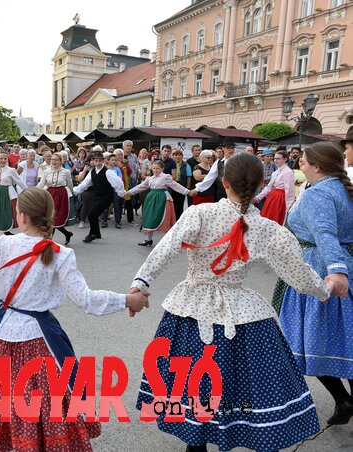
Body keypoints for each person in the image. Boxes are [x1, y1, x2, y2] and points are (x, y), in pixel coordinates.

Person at [133, 152, 332, 452]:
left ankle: (196, 441)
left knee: (193, 380)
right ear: (261, 183)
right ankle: (236, 430)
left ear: (224, 182)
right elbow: (298, 273)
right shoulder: (268, 229)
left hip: (193, 306)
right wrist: (325, 290)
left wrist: (141, 285)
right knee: (239, 381)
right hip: (242, 309)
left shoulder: (201, 214)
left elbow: (166, 248)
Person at [0, 187, 149, 452]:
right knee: (43, 406)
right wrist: (128, 300)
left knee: (1, 401)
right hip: (39, 342)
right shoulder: (61, 253)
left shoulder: (4, 244)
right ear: (50, 215)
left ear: (20, 216)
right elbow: (86, 300)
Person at [277, 141, 353, 426]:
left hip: (320, 274)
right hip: (338, 266)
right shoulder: (339, 189)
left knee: (308, 341)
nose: (301, 166)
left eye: (304, 162)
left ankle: (344, 400)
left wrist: (336, 272)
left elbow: (325, 235)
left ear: (317, 166)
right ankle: (345, 401)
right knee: (346, 341)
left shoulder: (319, 194)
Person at [127, 160, 195, 246]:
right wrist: (129, 192)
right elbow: (141, 186)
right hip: (151, 199)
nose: (155, 170)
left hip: (163, 199)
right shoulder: (150, 178)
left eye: (157, 168)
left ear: (162, 169)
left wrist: (187, 192)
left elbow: (175, 185)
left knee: (165, 219)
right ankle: (148, 239)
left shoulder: (166, 177)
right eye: (154, 168)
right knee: (149, 219)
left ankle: (170, 240)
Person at [72, 151, 127, 243]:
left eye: (99, 161)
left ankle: (92, 234)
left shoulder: (108, 172)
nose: (98, 163)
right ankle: (97, 233)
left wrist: (121, 193)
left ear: (103, 161)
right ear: (93, 161)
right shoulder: (92, 172)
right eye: (96, 161)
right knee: (93, 214)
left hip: (106, 197)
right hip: (96, 196)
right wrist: (76, 190)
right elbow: (85, 183)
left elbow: (118, 183)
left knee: (92, 215)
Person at [37, 152, 75, 245]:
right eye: (52, 159)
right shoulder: (46, 171)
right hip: (50, 195)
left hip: (62, 195)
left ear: (60, 161)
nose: (54, 161)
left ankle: (49, 241)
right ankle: (66, 234)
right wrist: (32, 191)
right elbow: (41, 184)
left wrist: (72, 193)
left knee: (58, 218)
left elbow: (69, 184)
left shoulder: (66, 172)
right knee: (51, 218)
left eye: (56, 160)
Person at [254, 149, 295, 225]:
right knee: (268, 219)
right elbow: (269, 187)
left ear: (285, 159)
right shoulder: (276, 172)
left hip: (281, 198)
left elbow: (289, 191)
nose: (275, 160)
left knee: (277, 220)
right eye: (275, 158)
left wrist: (290, 207)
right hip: (273, 197)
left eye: (278, 158)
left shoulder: (288, 172)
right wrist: (258, 197)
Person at [195, 137, 235, 202]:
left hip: (235, 194)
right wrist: (197, 189)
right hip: (221, 193)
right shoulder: (218, 162)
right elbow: (210, 177)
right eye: (228, 148)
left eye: (232, 148)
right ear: (223, 149)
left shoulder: (238, 161)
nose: (231, 150)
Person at [169, 149, 192, 220]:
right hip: (171, 185)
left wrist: (188, 187)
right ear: (172, 156)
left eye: (179, 155)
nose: (177, 157)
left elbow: (189, 176)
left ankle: (179, 219)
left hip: (181, 185)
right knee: (172, 203)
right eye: (175, 155)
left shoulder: (186, 165)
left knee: (179, 203)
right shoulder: (171, 164)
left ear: (182, 156)